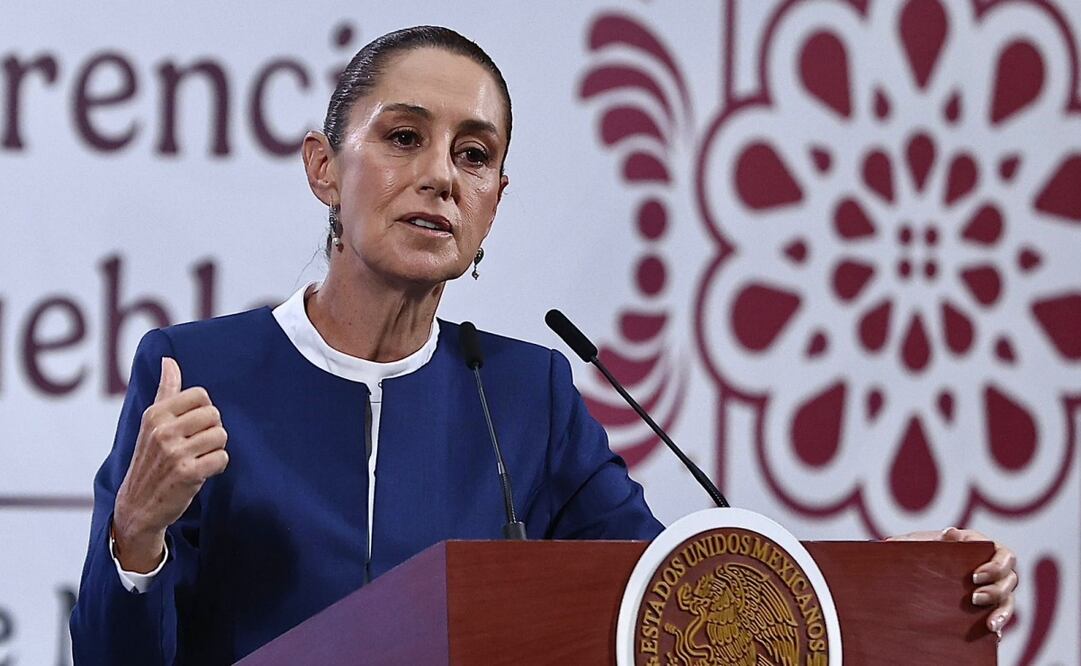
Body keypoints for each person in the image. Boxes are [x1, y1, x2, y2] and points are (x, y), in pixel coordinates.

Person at [69, 26, 1018, 664]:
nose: (440, 176)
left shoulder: (527, 396)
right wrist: (135, 537)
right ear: (324, 168)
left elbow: (672, 606)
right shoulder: (198, 373)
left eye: (473, 155)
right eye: (402, 138)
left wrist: (888, 585)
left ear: (494, 202)